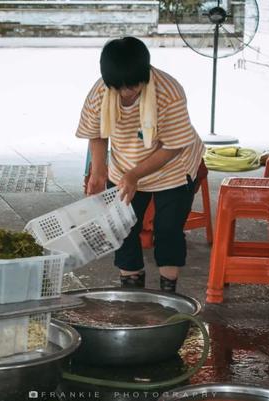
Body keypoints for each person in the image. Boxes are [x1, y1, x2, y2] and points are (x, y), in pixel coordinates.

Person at [76, 36, 205, 292]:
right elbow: (97, 134)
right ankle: (131, 293)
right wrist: (98, 173)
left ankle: (168, 294)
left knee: (167, 230)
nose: (127, 92)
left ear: (145, 74)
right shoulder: (100, 92)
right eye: (120, 87)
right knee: (123, 228)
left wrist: (135, 175)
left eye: (133, 86)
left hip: (173, 169)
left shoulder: (168, 92)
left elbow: (174, 146)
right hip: (125, 165)